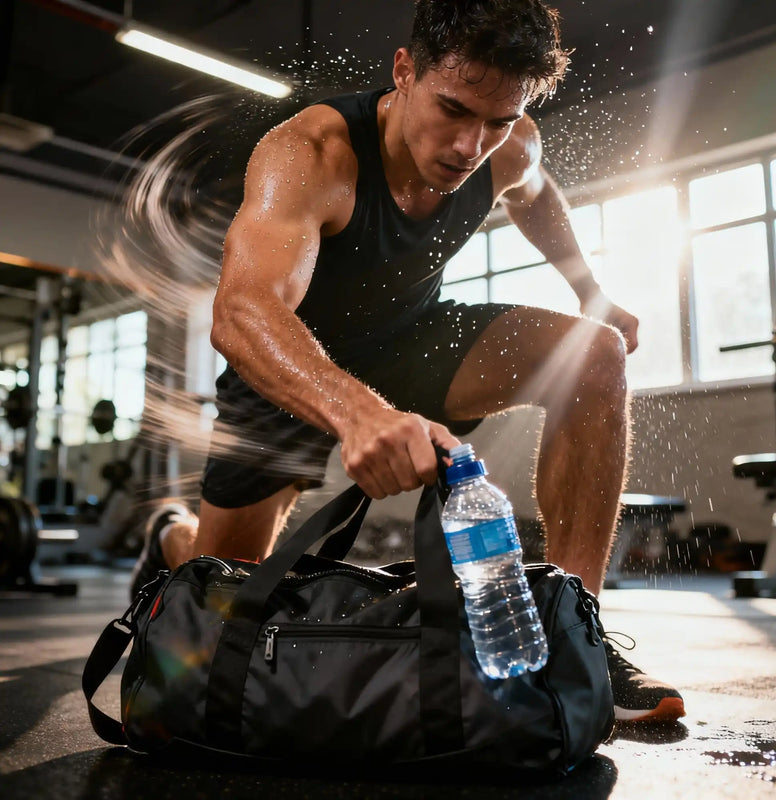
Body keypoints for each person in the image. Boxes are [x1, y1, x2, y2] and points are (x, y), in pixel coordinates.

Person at [132, 0, 684, 723]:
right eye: (453, 109)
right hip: (290, 366)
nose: (468, 144)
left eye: (495, 120)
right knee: (223, 588)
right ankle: (168, 536)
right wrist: (362, 415)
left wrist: (591, 292)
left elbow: (537, 194)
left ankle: (573, 628)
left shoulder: (510, 143)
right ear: (405, 70)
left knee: (595, 355)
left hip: (413, 336)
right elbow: (243, 313)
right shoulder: (313, 153)